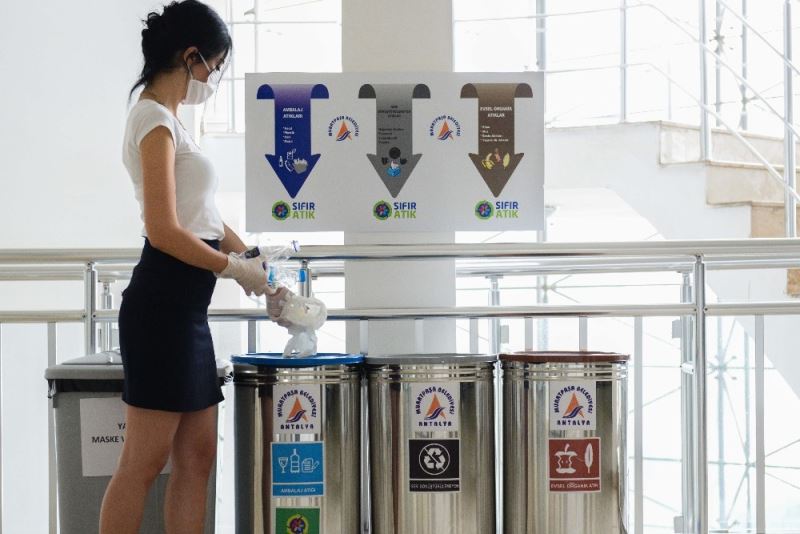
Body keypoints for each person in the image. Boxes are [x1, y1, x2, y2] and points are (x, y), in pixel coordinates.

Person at [99, 2, 289, 532]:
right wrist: (234, 269)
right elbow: (164, 229)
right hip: (162, 304)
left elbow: (203, 216)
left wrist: (257, 266)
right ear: (190, 57)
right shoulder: (153, 119)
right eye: (214, 66)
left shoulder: (175, 121)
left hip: (187, 310)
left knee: (197, 457)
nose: (212, 79)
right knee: (144, 461)